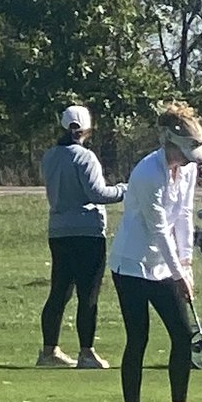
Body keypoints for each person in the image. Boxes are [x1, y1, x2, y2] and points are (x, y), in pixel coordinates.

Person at [109, 103, 202, 402]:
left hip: (165, 266)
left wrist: (187, 264)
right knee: (138, 337)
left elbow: (183, 216)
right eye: (183, 152)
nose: (188, 159)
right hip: (131, 264)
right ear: (168, 141)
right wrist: (178, 273)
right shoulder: (147, 173)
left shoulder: (188, 169)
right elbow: (158, 228)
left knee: (182, 335)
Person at [37, 104, 127, 368]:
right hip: (87, 231)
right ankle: (86, 352)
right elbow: (97, 194)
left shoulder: (50, 156)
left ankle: (49, 351)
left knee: (59, 291)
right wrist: (125, 189)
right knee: (88, 294)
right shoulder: (85, 157)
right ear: (87, 128)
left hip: (59, 230)